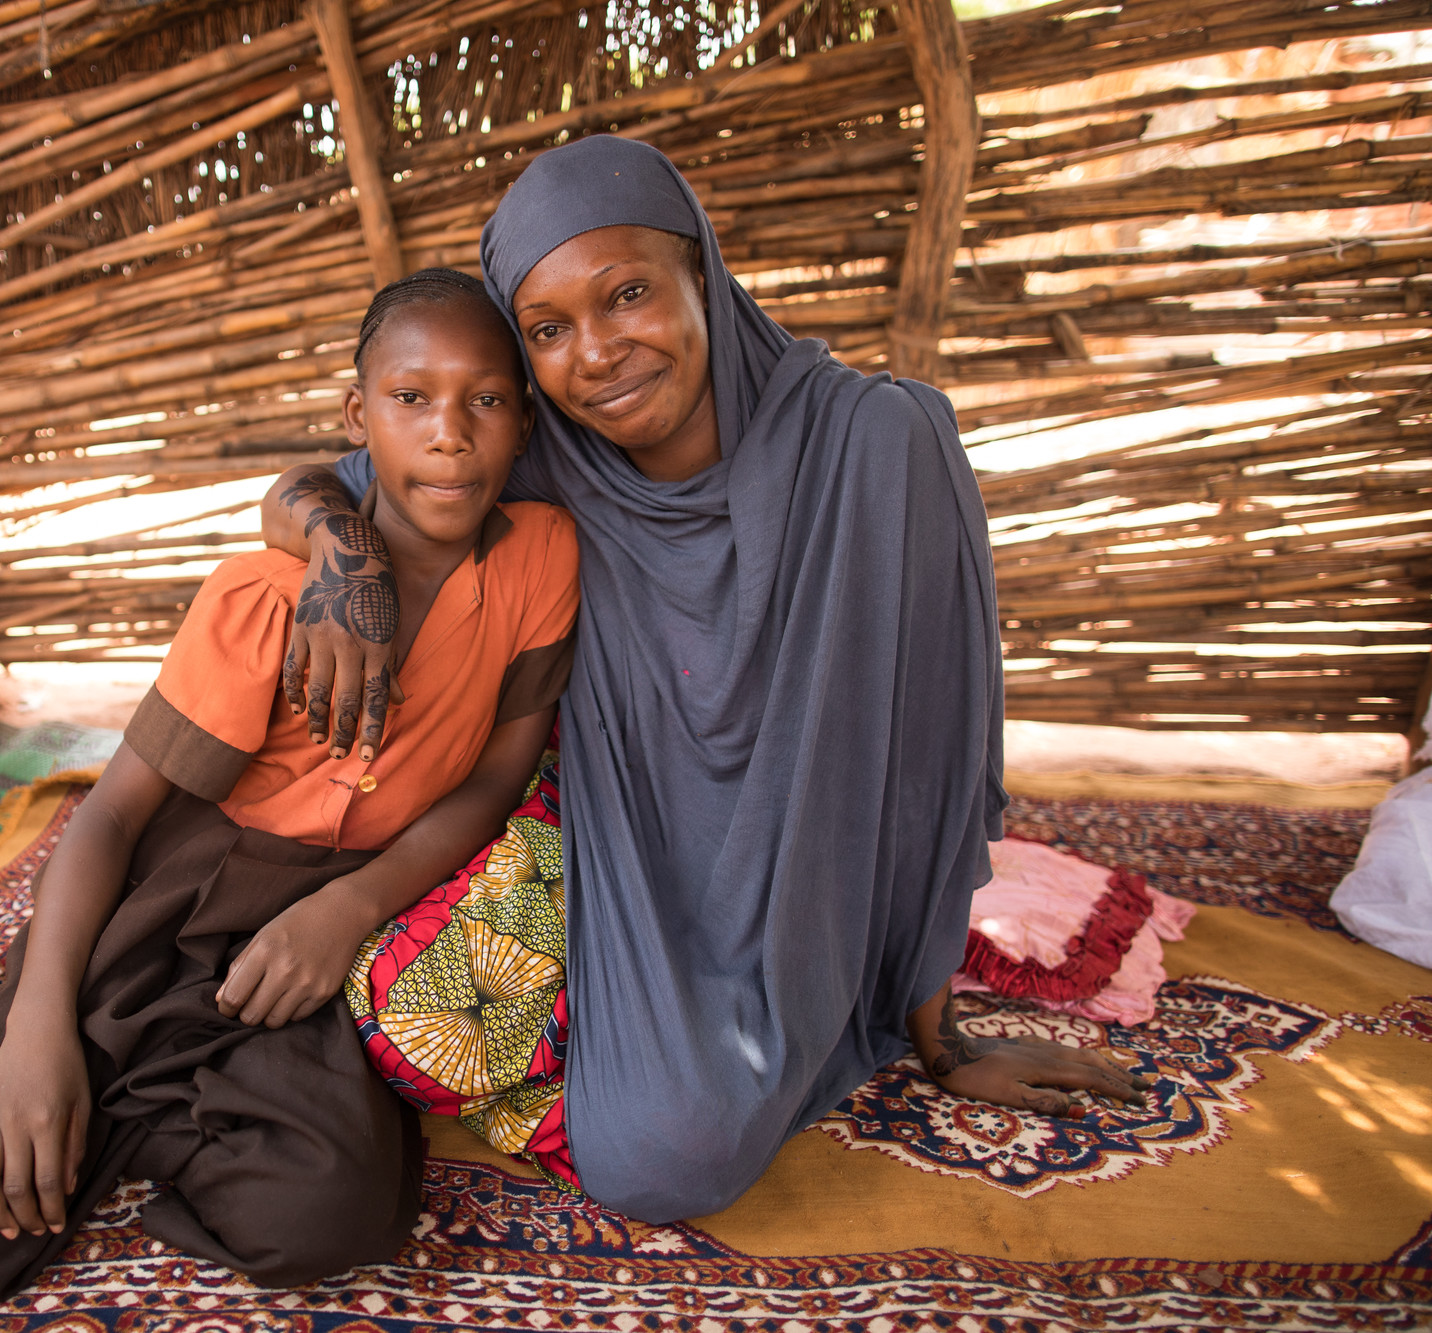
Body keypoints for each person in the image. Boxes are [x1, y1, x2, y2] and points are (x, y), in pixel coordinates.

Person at [264, 135, 1150, 1223]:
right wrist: (337, 559)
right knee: (391, 1005)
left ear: (703, 273)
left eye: (627, 293)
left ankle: (596, 1053)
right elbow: (320, 478)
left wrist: (937, 1034)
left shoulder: (877, 444)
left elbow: (931, 754)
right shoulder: (547, 457)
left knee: (661, 1161)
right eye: (545, 330)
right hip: (611, 857)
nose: (594, 352)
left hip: (798, 881)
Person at [0, 268, 580, 1296]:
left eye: (485, 400)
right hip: (173, 902)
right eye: (410, 398)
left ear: (522, 422)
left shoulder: (539, 562)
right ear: (356, 414)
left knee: (327, 1217)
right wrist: (35, 1026)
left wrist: (346, 908)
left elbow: (492, 781)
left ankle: (128, 1112)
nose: (448, 433)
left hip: (325, 933)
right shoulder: (260, 597)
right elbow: (112, 817)